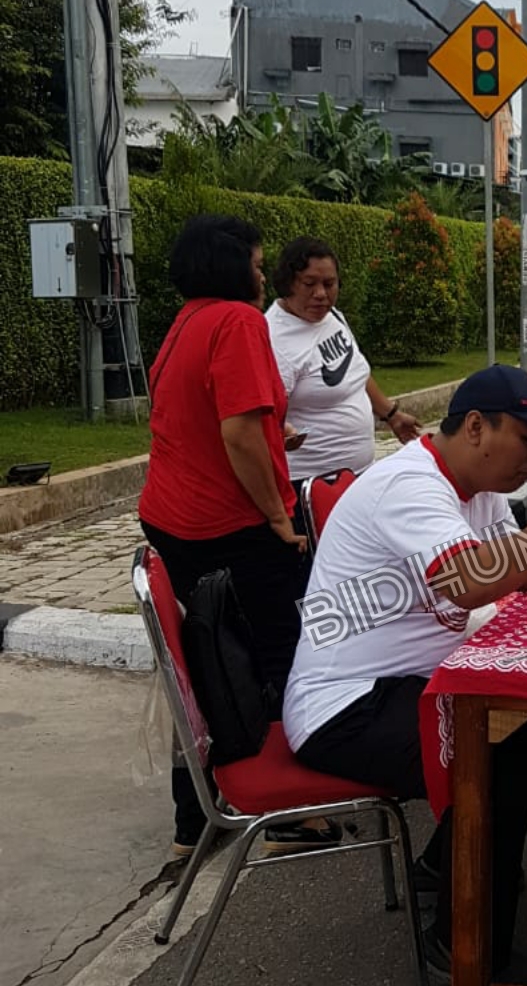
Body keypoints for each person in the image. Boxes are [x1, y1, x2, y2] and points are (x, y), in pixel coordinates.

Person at [285, 365, 527, 985]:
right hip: (345, 706)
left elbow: (508, 569)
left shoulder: (476, 486)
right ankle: (466, 949)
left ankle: (447, 866)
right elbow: (468, 577)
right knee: (499, 752)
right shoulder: (412, 485)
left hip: (405, 682)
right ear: (478, 427)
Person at [138, 214, 325, 857]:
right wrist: (277, 515)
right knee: (275, 656)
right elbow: (239, 432)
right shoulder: (238, 322)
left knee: (203, 660)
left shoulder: (186, 321)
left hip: (174, 518)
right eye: (254, 261)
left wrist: (277, 437)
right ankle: (285, 812)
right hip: (230, 525)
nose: (258, 273)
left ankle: (194, 817)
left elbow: (213, 417)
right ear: (229, 265)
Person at [265, 237, 420, 522]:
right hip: (312, 490)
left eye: (329, 283)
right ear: (288, 283)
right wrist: (281, 431)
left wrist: (392, 414)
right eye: (309, 284)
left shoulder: (332, 316)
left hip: (358, 477)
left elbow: (355, 371)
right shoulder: (275, 339)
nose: (321, 294)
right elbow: (261, 419)